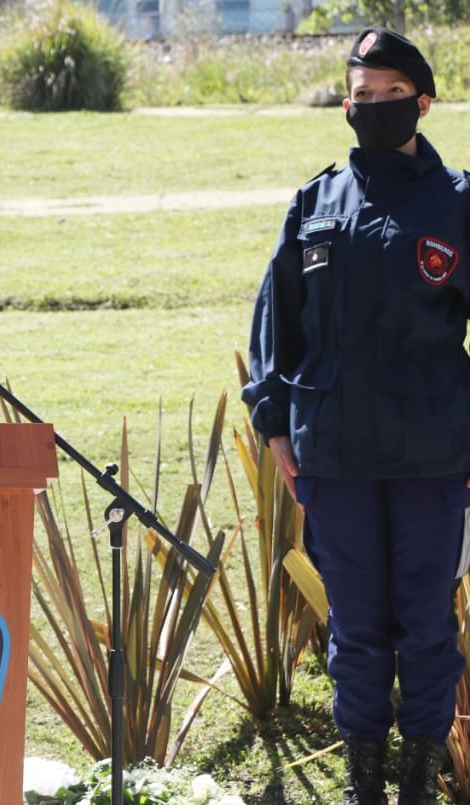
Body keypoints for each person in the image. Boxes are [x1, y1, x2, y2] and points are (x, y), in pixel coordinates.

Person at [242, 28, 470, 805]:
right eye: (360, 96)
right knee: (357, 629)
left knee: (425, 625)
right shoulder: (316, 201)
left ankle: (419, 774)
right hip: (332, 451)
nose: (371, 108)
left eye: (388, 95)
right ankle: (363, 777)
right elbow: (279, 321)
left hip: (432, 454)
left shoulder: (459, 204)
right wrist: (274, 425)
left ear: (423, 101)